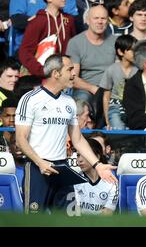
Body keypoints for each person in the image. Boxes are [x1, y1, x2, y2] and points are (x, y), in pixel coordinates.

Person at [15, 54, 117, 214]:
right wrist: (40, 162)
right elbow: (20, 139)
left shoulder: (69, 101)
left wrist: (98, 165)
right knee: (34, 221)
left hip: (63, 168)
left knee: (68, 220)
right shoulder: (30, 99)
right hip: (37, 169)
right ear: (56, 73)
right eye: (69, 69)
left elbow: (77, 139)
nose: (74, 73)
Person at [19, 0, 77, 77]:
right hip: (42, 75)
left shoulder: (69, 20)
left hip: (64, 74)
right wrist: (41, 71)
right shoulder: (38, 22)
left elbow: (74, 47)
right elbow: (25, 52)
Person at [72, 137, 118, 215]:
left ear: (97, 157)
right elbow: (75, 213)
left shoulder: (111, 182)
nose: (79, 160)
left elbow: (107, 214)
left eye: (84, 155)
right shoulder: (74, 179)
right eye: (78, 155)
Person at [100, 35, 138, 130]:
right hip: (115, 107)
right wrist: (107, 120)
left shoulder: (138, 70)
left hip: (133, 108)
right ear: (121, 52)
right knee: (118, 128)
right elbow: (106, 96)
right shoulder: (111, 70)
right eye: (132, 50)